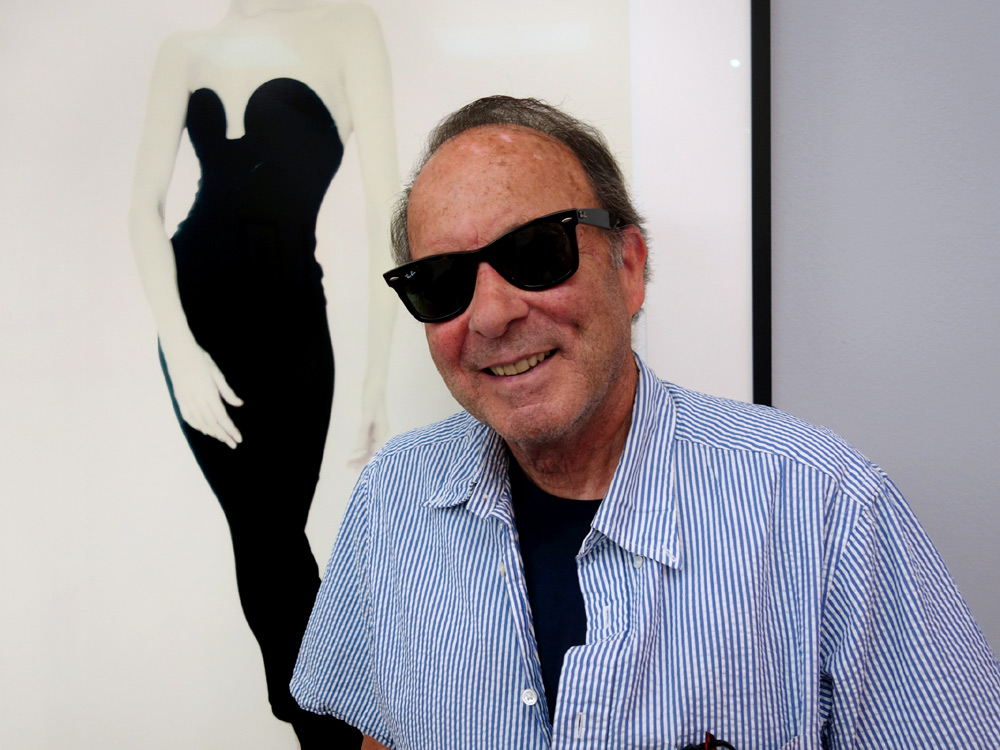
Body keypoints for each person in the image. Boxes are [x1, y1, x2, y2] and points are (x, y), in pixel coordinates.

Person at [290, 96, 1000, 748]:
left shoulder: (825, 508)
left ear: (628, 266)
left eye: (536, 252)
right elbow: (380, 735)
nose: (493, 315)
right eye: (443, 281)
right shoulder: (391, 496)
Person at [128, 1, 398, 746]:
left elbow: (387, 207)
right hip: (199, 324)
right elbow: (143, 208)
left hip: (293, 325)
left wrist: (377, 374)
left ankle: (337, 727)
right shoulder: (184, 48)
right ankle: (342, 732)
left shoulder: (349, 28)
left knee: (273, 538)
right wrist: (180, 348)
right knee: (264, 536)